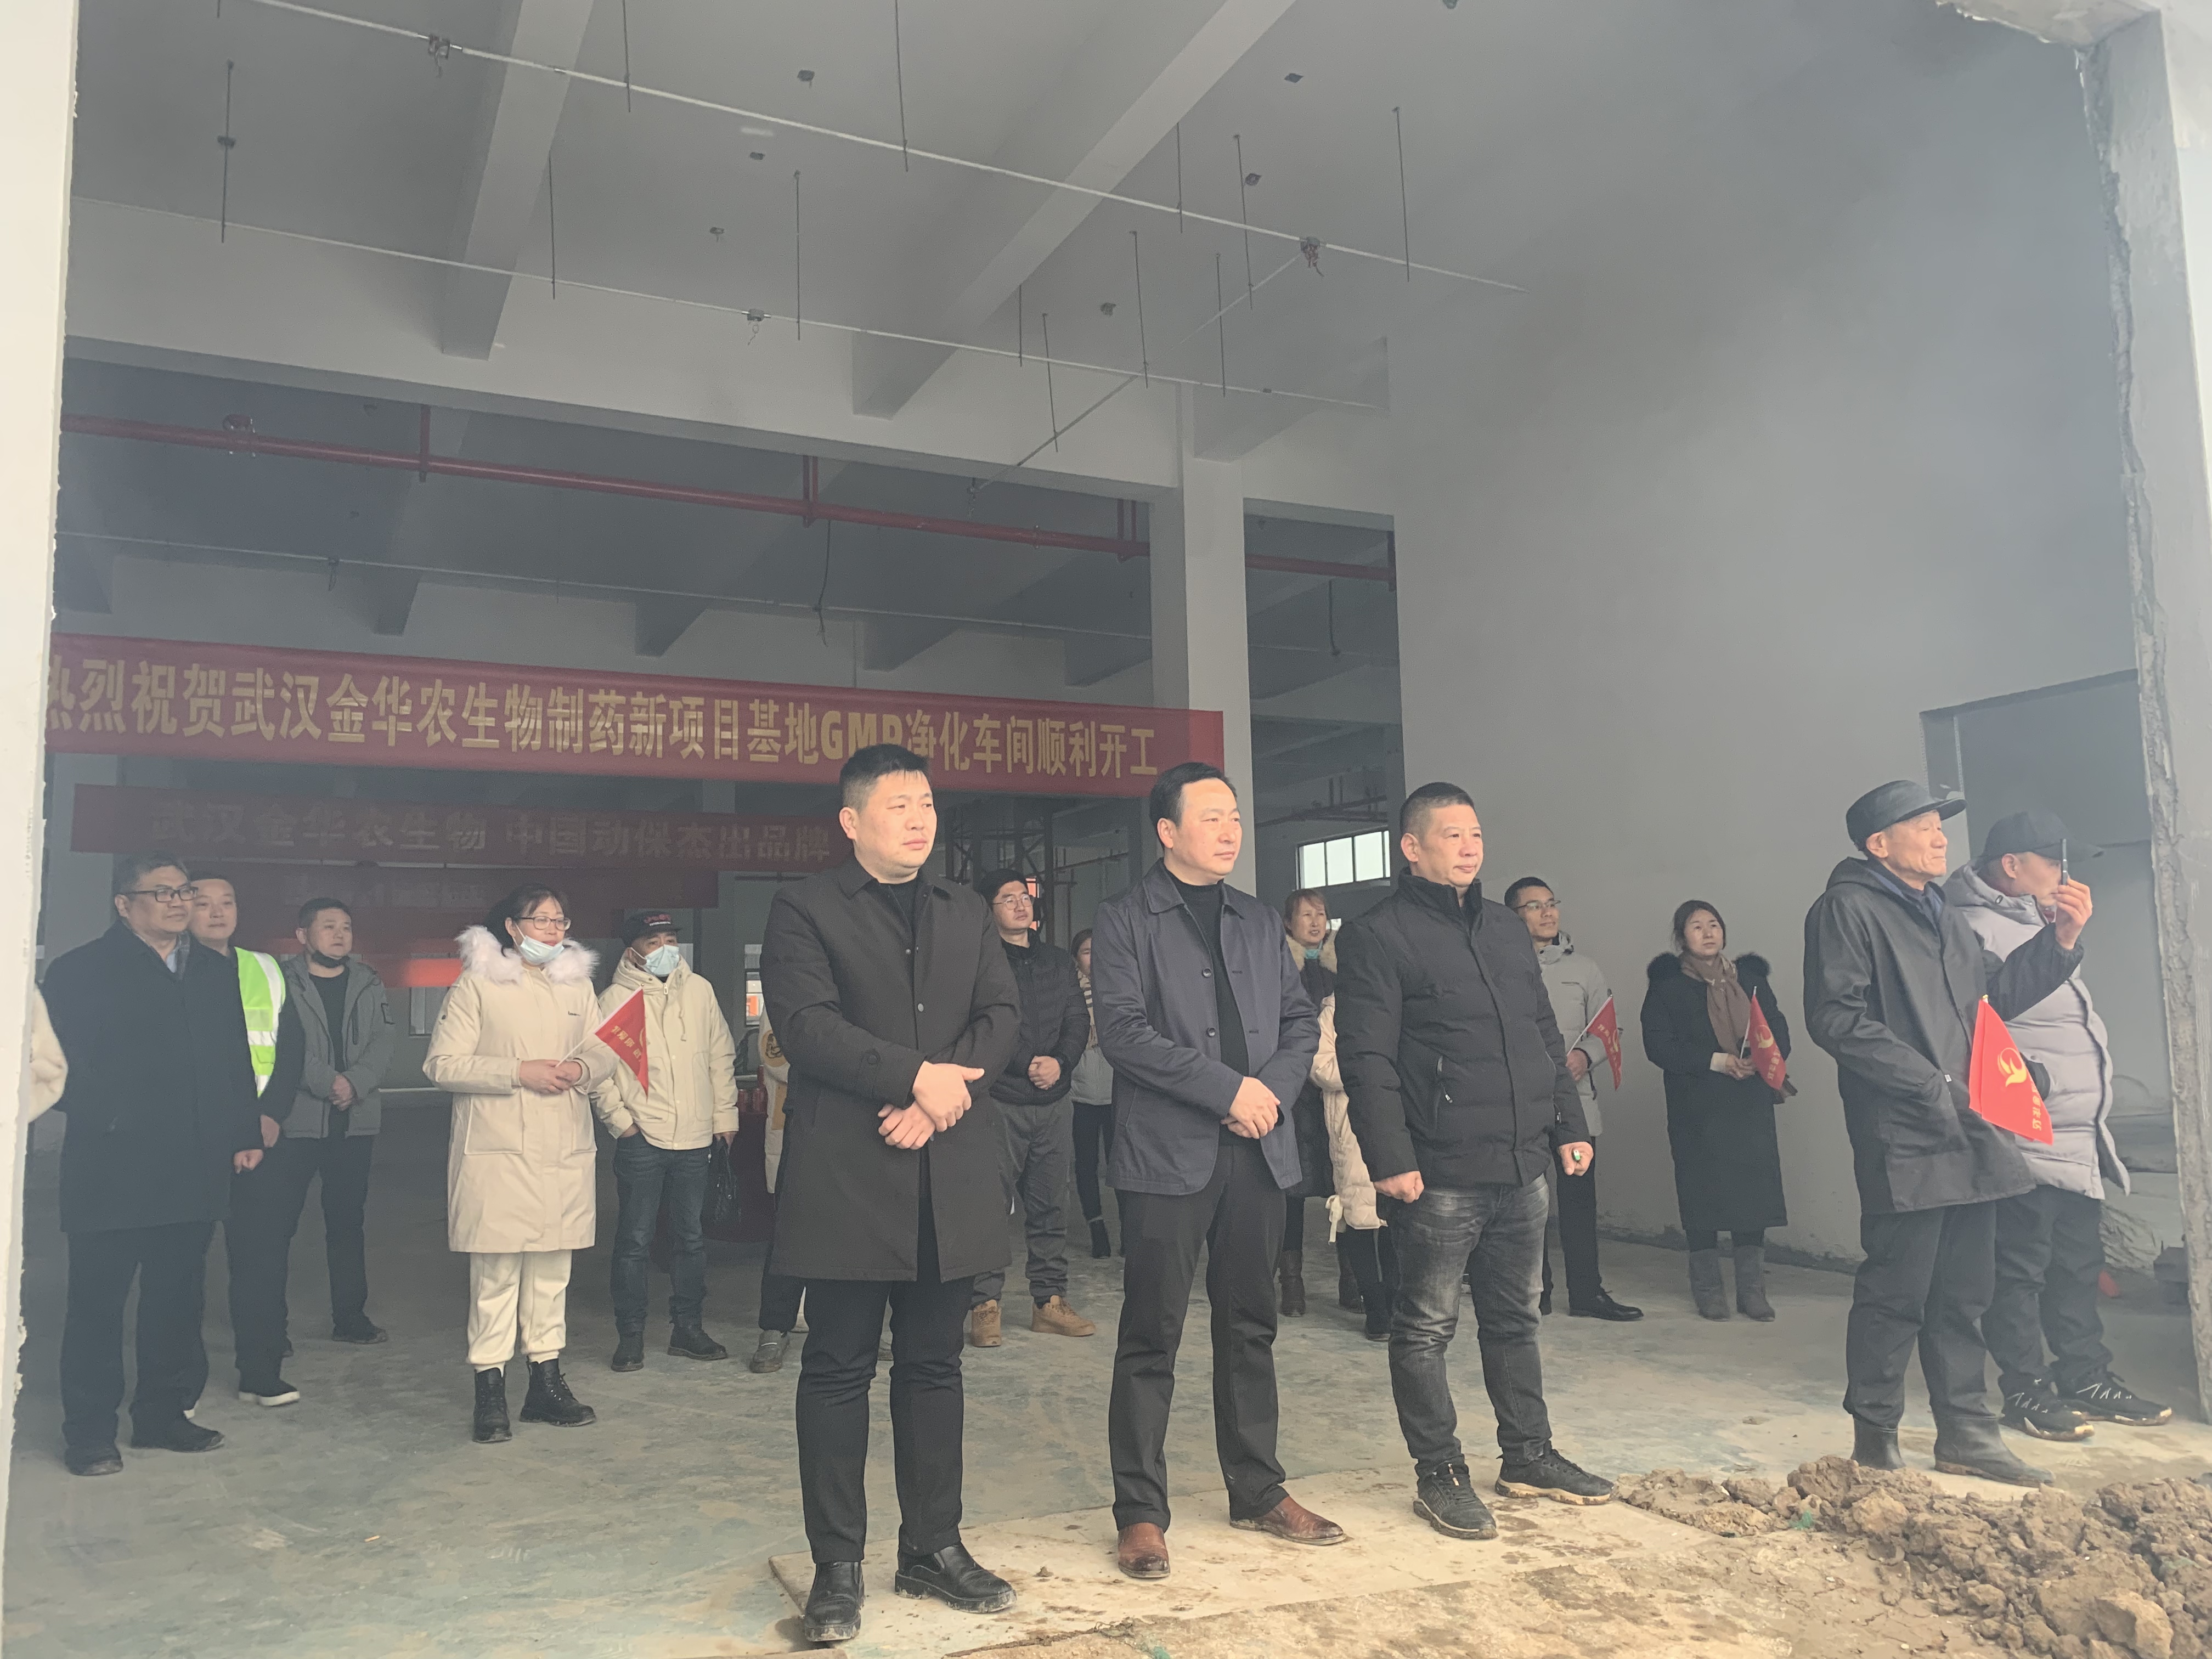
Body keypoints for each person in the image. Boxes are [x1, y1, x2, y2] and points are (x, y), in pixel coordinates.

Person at [760, 744, 1023, 1645]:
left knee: (934, 1366)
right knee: (838, 1368)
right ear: (852, 821)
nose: (919, 819)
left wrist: (940, 1098)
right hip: (849, 1170)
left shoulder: (964, 909)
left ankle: (932, 1546)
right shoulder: (805, 908)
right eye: (898, 805)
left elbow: (1001, 1015)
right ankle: (837, 1566)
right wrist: (916, 1078)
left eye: (927, 804)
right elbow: (806, 1026)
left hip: (944, 1166)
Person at [1336, 783, 1613, 1545]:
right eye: (1451, 835)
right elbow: (1366, 1058)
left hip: (1521, 1164)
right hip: (1438, 1170)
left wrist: (1568, 1123)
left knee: (1516, 1318)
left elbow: (1541, 1034)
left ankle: (1528, 1455)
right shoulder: (1380, 935)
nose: (1469, 847)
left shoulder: (1502, 928)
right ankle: (1440, 1473)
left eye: (1476, 834)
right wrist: (1389, 1157)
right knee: (1426, 1327)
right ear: (1412, 847)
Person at [1804, 781, 2091, 1487]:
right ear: (1879, 844)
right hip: (1905, 1130)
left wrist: (2059, 940)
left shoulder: (1941, 912)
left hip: (1971, 1125)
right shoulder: (1848, 909)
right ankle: (1875, 1439)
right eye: (1925, 826)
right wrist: (1930, 1083)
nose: (1941, 839)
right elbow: (1836, 1018)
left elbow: (1991, 997)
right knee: (1896, 1292)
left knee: (1966, 1293)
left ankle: (1966, 1433)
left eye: (1941, 826)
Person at [1092, 760, 1337, 1583]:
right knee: (1151, 1333)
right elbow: (1124, 1033)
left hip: (1257, 1151)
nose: (1231, 831)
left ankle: (1258, 1489)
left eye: (1235, 817)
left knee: (1251, 1326)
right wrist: (1227, 1090)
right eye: (1212, 818)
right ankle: (1140, 1512)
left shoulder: (1259, 920)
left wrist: (1268, 1094)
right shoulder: (1127, 920)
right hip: (1166, 1155)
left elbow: (1300, 1023)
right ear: (1168, 832)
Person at [1943, 811, 2169, 1438]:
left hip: (2074, 1129)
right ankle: (2026, 1390)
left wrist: (2057, 932)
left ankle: (2085, 1376)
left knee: (2076, 1265)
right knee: (2020, 1270)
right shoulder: (1968, 927)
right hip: (2025, 1126)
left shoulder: (2030, 919)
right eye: (2055, 863)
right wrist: (2063, 938)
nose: (2065, 878)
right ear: (2012, 865)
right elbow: (1988, 1010)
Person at [42, 854, 265, 1476]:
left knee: (176, 1299)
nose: (178, 902)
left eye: (183, 891)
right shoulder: (81, 970)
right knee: (98, 1305)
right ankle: (90, 1432)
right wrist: (113, 1113)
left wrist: (243, 1130)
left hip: (191, 1163)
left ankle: (162, 1416)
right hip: (111, 1164)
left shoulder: (212, 969)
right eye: (162, 892)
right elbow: (53, 1062)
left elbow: (234, 1055)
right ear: (124, 904)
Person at [425, 884, 619, 1446]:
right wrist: (517, 1071)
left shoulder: (578, 985)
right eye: (540, 921)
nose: (553, 931)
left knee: (552, 1272)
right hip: (500, 1151)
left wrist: (584, 1070)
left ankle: (546, 1383)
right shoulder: (479, 984)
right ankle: (489, 1390)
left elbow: (603, 1048)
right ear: (512, 928)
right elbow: (442, 1064)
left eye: (560, 921)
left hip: (561, 1149)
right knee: (497, 1275)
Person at [592, 910, 741, 1373]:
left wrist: (724, 1115)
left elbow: (720, 1056)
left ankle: (688, 1329)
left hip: (695, 1138)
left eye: (671, 940)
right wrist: (622, 1124)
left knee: (690, 1238)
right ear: (632, 950)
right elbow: (599, 1073)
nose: (666, 949)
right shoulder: (615, 1000)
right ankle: (630, 1336)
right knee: (634, 1240)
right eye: (653, 942)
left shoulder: (699, 992)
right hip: (643, 1138)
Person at [187, 876, 310, 1412]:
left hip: (261, 1138)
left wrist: (270, 1114)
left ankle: (260, 1373)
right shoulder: (171, 970)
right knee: (183, 1268)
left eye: (227, 902)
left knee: (262, 1260)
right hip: (194, 1141)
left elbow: (290, 1047)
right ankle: (180, 1386)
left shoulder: (264, 968)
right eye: (203, 903)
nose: (217, 913)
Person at [1639, 901, 1792, 1322]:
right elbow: (1659, 1045)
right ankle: (1708, 1290)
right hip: (1698, 1107)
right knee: (1701, 1193)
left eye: (1714, 925)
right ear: (1681, 937)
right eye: (1696, 927)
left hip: (1749, 1102)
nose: (1708, 933)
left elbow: (1778, 1031)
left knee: (1752, 1194)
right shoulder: (1668, 986)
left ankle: (1752, 1292)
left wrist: (1759, 1059)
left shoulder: (1751, 980)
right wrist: (1718, 1062)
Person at [1503, 878, 1639, 1323]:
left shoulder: (1585, 969)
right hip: (1520, 1105)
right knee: (1527, 1205)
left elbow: (1608, 1029)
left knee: (1579, 1202)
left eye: (1551, 903)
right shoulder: (1501, 966)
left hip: (1575, 1105)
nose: (1548, 913)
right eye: (1534, 906)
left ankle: (1587, 1292)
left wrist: (1585, 1056)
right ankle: (1534, 1293)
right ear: (1513, 917)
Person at [968, 870, 1094, 1346]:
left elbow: (1077, 1019)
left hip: (1054, 1102)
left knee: (1051, 1205)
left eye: (1024, 896)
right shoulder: (981, 963)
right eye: (1008, 899)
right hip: (1002, 1100)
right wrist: (1027, 1064)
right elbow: (985, 1024)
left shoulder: (1058, 961)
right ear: (989, 911)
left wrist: (1061, 1062)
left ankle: (1049, 1302)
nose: (1021, 905)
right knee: (990, 1206)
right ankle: (985, 1304)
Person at [1311, 985, 1393, 1339]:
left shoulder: (1397, 998)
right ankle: (1375, 1309)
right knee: (1358, 1215)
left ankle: (1394, 1305)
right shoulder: (1334, 1009)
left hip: (1396, 1117)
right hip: (1350, 1124)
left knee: (1394, 1215)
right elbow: (1320, 1068)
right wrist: (1370, 1068)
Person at [1279, 889, 1335, 1317]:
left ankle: (1355, 1280)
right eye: (1306, 915)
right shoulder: (1280, 969)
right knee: (1291, 1191)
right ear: (1288, 923)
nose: (1316, 922)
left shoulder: (1342, 968)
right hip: (1296, 1094)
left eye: (1321, 914)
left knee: (1346, 1188)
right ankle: (1291, 1283)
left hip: (1336, 1093)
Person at [749, 1008, 805, 1373]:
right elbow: (775, 1057)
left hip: (850, 1126)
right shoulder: (786, 991)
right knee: (789, 1230)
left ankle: (856, 1323)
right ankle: (775, 1324)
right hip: (798, 1124)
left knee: (852, 1233)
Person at [1068, 928, 1118, 1259]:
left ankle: (1130, 1231)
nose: (1094, 958)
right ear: (1077, 959)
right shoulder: (1069, 993)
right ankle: (1096, 1227)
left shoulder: (1119, 989)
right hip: (1081, 1091)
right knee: (1086, 1164)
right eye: (1087, 952)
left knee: (1122, 1163)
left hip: (1117, 1090)